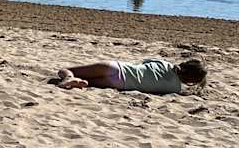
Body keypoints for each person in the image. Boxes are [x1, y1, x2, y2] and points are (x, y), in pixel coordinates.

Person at [53, 57, 206, 94]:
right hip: (122, 84)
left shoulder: (164, 63)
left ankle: (69, 77)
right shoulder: (174, 89)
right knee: (89, 82)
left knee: (66, 69)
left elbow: (144, 62)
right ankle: (79, 82)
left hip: (119, 67)